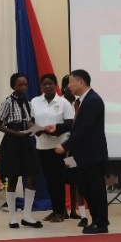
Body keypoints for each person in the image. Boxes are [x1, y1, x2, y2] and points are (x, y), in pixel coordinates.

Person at [55, 69, 109, 234]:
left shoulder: (93, 101)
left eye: (71, 82)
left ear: (81, 82)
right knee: (87, 188)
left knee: (95, 189)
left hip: (93, 155)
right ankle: (97, 220)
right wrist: (56, 128)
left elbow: (85, 128)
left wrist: (65, 145)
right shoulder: (83, 101)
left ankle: (101, 223)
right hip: (83, 155)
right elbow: (76, 125)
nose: (69, 86)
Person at [0, 73, 42, 229]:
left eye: (25, 84)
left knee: (32, 176)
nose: (24, 87)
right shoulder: (7, 102)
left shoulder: (28, 103)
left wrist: (37, 130)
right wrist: (16, 134)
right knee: (13, 177)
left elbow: (28, 122)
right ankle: (12, 217)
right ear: (13, 86)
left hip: (26, 141)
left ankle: (27, 215)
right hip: (12, 141)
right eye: (20, 85)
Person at [31, 73, 74, 223]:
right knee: (49, 180)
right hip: (41, 146)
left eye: (50, 83)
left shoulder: (63, 103)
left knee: (58, 179)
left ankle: (60, 212)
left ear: (55, 85)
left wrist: (55, 129)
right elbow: (30, 121)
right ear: (41, 86)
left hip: (59, 147)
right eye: (44, 84)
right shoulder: (35, 101)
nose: (47, 86)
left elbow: (70, 124)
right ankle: (56, 210)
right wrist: (37, 129)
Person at [59, 74, 87, 225]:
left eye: (71, 84)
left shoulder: (79, 102)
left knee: (74, 178)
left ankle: (74, 210)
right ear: (63, 87)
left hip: (74, 147)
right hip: (61, 146)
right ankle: (62, 209)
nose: (69, 87)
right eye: (67, 85)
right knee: (61, 178)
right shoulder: (59, 102)